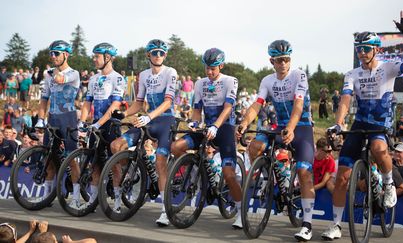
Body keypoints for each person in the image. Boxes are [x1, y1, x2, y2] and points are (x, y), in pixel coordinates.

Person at [322, 10, 403, 240]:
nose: (361, 52)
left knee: (379, 150)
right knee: (342, 176)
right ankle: (336, 225)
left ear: (376, 49)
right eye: (358, 48)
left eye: (366, 48)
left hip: (382, 122)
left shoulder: (387, 67)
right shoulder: (352, 74)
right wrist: (338, 123)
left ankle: (388, 184)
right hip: (360, 123)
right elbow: (346, 100)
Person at [237, 40, 315, 241]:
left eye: (286, 59)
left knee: (305, 171)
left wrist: (290, 128)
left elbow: (298, 106)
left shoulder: (299, 75)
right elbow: (257, 105)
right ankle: (270, 175)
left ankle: (307, 224)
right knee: (254, 147)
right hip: (280, 126)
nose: (283, 63)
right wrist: (244, 122)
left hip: (302, 126)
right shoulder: (267, 80)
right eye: (279, 60)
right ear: (271, 60)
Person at [171, 48, 243, 229]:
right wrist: (195, 123)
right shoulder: (200, 84)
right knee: (177, 147)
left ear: (221, 66)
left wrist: (216, 126)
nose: (209, 72)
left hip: (224, 128)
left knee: (228, 174)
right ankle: (199, 169)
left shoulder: (230, 81)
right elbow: (197, 110)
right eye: (207, 68)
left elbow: (228, 108)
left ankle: (241, 212)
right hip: (206, 128)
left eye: (213, 68)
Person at [110, 39, 177, 225]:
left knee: (161, 161)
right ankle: (119, 194)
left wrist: (148, 117)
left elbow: (168, 102)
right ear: (148, 55)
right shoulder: (144, 75)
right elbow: (139, 103)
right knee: (116, 145)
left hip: (165, 121)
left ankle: (165, 211)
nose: (158, 56)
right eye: (155, 52)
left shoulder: (170, 72)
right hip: (148, 119)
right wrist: (124, 113)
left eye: (162, 53)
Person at [68, 43, 126, 210]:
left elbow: (115, 104)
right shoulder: (93, 79)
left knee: (114, 165)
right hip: (95, 125)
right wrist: (82, 122)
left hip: (110, 125)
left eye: (97, 56)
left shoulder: (118, 78)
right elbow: (87, 103)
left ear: (107, 58)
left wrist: (99, 123)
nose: (94, 59)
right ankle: (93, 200)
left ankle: (117, 202)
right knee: (95, 164)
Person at [35, 40, 80, 200]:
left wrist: (50, 72)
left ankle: (76, 198)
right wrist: (41, 119)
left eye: (56, 53)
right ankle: (46, 196)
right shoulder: (48, 75)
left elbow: (60, 79)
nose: (52, 56)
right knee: (49, 159)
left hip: (68, 120)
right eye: (51, 53)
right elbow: (43, 99)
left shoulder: (74, 73)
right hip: (52, 119)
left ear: (66, 55)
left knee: (71, 159)